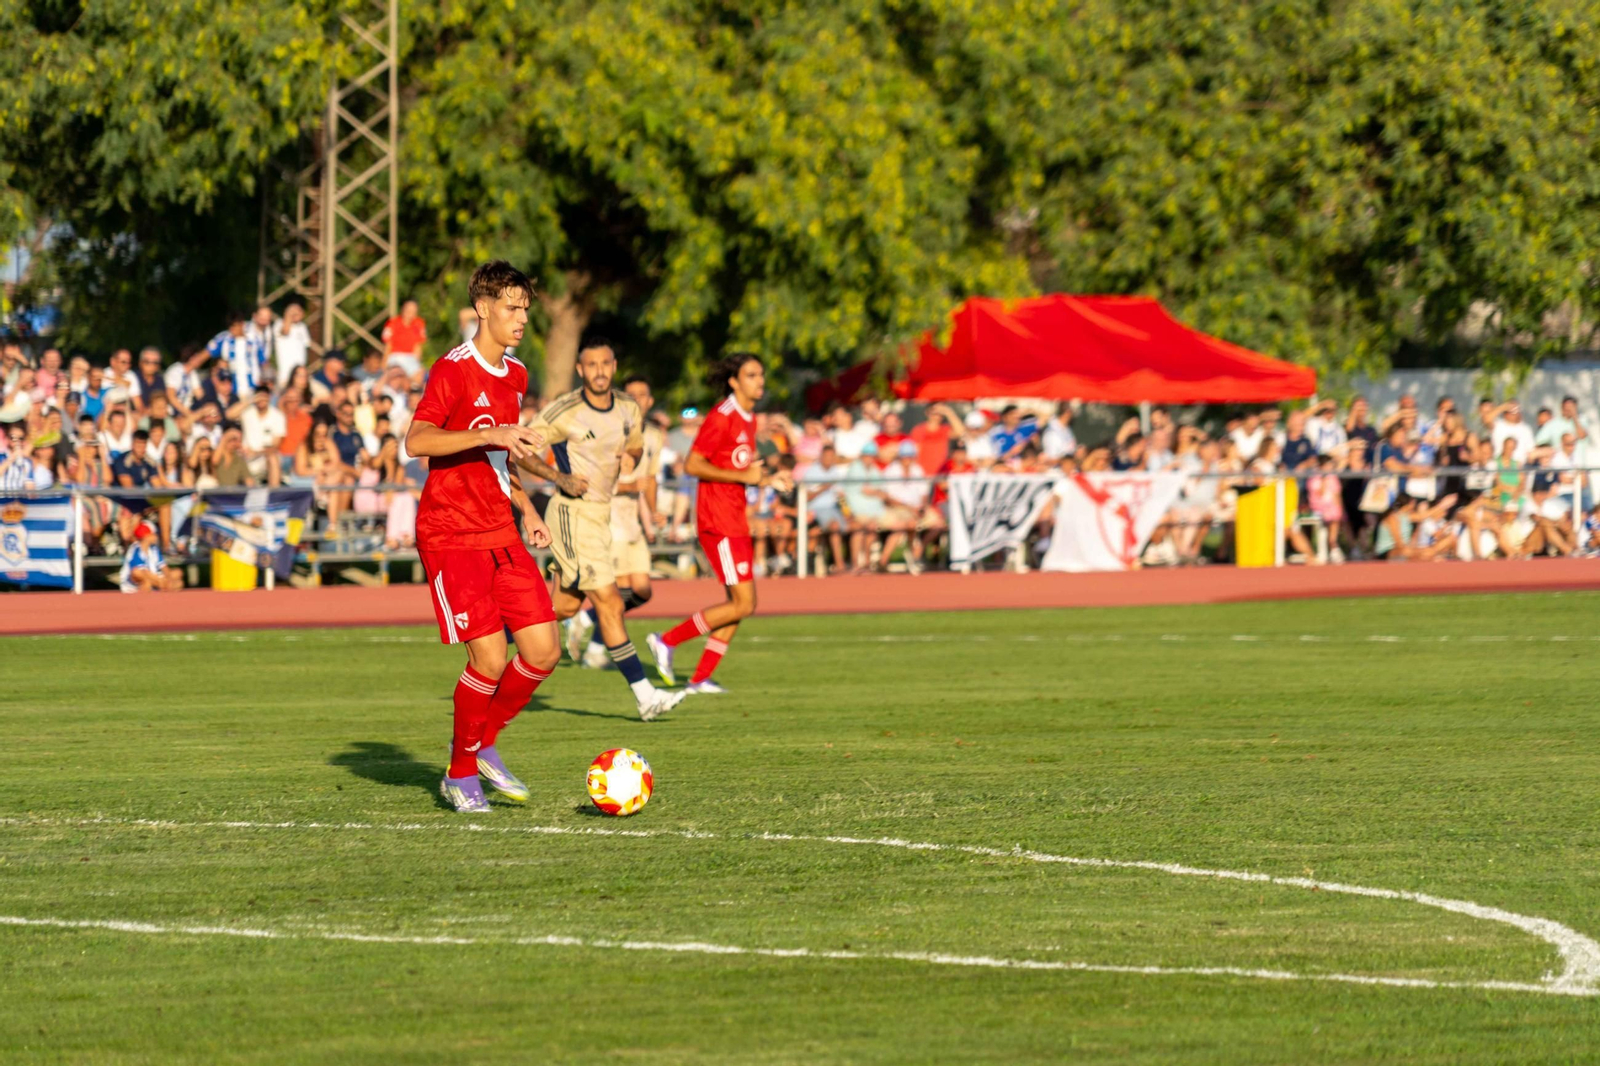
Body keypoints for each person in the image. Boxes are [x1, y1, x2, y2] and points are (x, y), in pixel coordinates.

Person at [403, 260, 559, 815]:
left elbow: (501, 455)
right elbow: (416, 440)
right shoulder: (453, 369)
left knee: (543, 650)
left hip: (500, 525)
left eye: (525, 308)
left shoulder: (515, 376)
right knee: (490, 658)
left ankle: (482, 742)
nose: (521, 318)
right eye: (512, 307)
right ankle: (460, 772)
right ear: (483, 309)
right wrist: (490, 431)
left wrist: (527, 506)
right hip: (450, 530)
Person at [517, 338, 685, 720]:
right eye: (590, 365)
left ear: (614, 365)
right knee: (609, 602)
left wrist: (632, 455)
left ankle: (500, 629)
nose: (598, 371)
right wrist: (557, 475)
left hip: (601, 515)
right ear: (580, 370)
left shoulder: (627, 407)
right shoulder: (566, 410)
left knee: (565, 606)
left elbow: (638, 445)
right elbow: (520, 448)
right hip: (573, 513)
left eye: (605, 364)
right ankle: (646, 696)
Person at [646, 353, 789, 695]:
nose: (760, 381)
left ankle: (699, 679)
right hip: (718, 519)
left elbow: (740, 469)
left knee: (740, 604)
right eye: (752, 375)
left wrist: (768, 479)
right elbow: (693, 465)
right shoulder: (722, 417)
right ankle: (666, 640)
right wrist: (747, 475)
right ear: (734, 381)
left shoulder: (748, 418)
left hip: (735, 517)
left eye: (761, 374)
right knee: (743, 602)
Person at [207, 312, 267, 397]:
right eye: (230, 327)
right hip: (234, 392)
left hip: (254, 389)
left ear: (242, 324)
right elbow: (210, 357)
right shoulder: (225, 341)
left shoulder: (253, 339)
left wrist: (264, 380)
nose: (232, 329)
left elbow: (264, 362)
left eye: (234, 326)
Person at [119, 522, 183, 592]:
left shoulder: (154, 549)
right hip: (135, 583)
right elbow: (142, 572)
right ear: (146, 536)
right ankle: (163, 586)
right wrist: (161, 581)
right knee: (137, 573)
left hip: (152, 578)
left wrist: (168, 577)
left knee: (178, 572)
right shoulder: (135, 549)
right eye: (153, 534)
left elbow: (164, 568)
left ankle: (162, 585)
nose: (156, 536)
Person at [382, 298, 428, 375]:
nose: (410, 313)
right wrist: (384, 363)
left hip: (410, 356)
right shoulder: (392, 323)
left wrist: (416, 364)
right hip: (395, 356)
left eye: (413, 310)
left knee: (420, 375)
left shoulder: (419, 323)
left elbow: (417, 346)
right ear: (403, 309)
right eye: (408, 309)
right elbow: (388, 346)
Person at [275, 301, 313, 384]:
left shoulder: (302, 327)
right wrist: (289, 314)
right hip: (285, 375)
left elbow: (307, 346)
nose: (296, 314)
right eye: (293, 312)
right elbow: (285, 331)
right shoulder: (279, 324)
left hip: (300, 374)